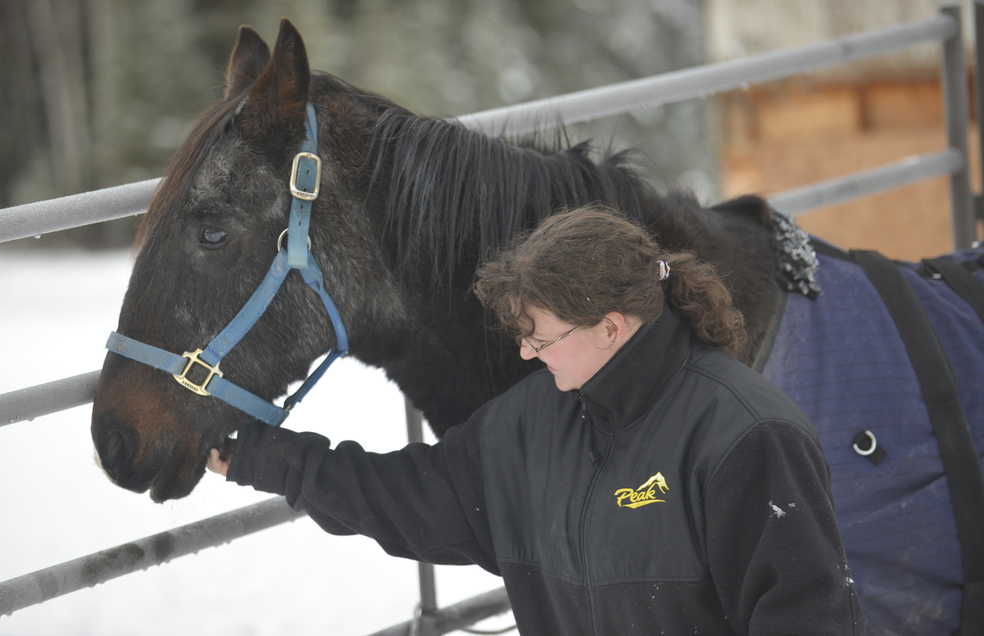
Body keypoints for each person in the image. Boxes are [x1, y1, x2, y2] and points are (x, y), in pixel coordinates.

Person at [208, 205, 864, 634]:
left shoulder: (747, 437)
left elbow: (807, 617)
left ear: (612, 327)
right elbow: (416, 498)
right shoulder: (534, 421)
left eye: (539, 336)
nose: (525, 351)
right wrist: (263, 458)